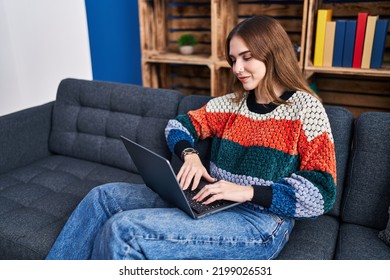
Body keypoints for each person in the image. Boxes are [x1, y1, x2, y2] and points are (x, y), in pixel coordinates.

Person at [46, 15, 336, 260]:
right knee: (102, 197)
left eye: (247, 58)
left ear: (274, 53)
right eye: (233, 59)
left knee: (124, 230)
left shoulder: (305, 109)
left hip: (260, 222)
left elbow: (321, 194)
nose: (237, 69)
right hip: (211, 201)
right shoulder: (229, 104)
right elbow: (177, 126)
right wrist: (190, 155)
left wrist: (246, 192)